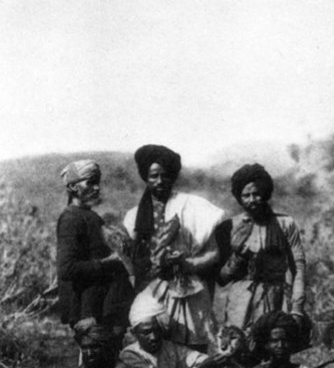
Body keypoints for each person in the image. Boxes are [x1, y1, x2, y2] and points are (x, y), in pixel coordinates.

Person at [123, 144, 224, 351]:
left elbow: (214, 254)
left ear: (173, 177)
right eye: (154, 176)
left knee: (194, 347)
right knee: (157, 347)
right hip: (153, 288)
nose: (160, 181)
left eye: (165, 175)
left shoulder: (193, 206)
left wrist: (185, 263)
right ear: (145, 177)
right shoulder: (134, 216)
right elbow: (134, 260)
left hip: (191, 290)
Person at [216, 163, 306, 335]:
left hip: (276, 298)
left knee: (274, 347)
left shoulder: (285, 224)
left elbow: (299, 267)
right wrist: (237, 258)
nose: (252, 200)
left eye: (256, 194)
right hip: (240, 303)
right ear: (239, 197)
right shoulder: (229, 227)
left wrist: (297, 308)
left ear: (265, 193)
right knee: (239, 350)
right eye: (246, 195)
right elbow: (221, 279)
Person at [57, 159, 133, 340]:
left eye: (97, 182)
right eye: (90, 182)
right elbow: (67, 269)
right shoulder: (71, 219)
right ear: (73, 187)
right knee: (94, 361)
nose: (97, 188)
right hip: (87, 311)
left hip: (101, 308)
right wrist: (109, 262)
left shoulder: (90, 216)